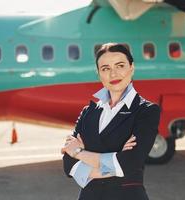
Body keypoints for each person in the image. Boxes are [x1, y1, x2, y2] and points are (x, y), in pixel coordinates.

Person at [61, 43, 161, 200]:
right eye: (105, 68)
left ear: (131, 68)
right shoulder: (88, 112)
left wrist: (79, 152)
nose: (113, 74)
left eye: (120, 66)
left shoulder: (146, 111)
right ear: (99, 73)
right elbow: (68, 165)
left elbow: (129, 164)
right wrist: (115, 162)